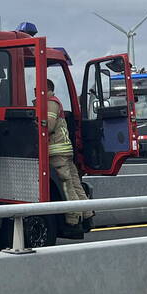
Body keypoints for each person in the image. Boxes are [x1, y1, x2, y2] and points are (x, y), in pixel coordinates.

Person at [39, 79, 93, 228]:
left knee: (66, 186)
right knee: (76, 185)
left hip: (57, 153)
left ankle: (74, 219)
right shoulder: (55, 102)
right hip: (65, 152)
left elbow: (48, 126)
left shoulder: (50, 103)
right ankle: (87, 214)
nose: (36, 92)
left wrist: (36, 121)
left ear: (46, 89)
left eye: (38, 89)